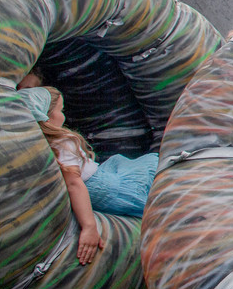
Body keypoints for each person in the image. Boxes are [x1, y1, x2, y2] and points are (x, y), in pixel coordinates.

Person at [20, 87, 158, 263]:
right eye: (60, 111)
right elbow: (74, 184)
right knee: (153, 165)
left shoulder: (38, 149)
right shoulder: (62, 143)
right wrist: (89, 226)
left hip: (101, 178)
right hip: (107, 188)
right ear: (46, 116)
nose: (63, 116)